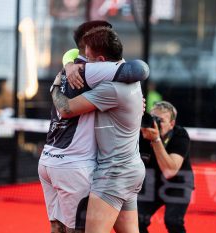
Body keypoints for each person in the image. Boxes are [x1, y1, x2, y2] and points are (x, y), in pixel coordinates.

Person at [38, 22, 149, 233]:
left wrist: (56, 83)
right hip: (130, 168)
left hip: (112, 172)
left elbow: (67, 109)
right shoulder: (125, 80)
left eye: (87, 58)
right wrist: (68, 64)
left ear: (100, 61)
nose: (83, 61)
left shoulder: (108, 85)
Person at [138, 101, 194, 233]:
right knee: (136, 219)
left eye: (160, 120)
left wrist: (156, 140)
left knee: (173, 221)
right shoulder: (141, 133)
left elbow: (170, 171)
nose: (155, 123)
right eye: (153, 119)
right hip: (151, 184)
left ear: (172, 124)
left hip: (178, 184)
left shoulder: (180, 135)